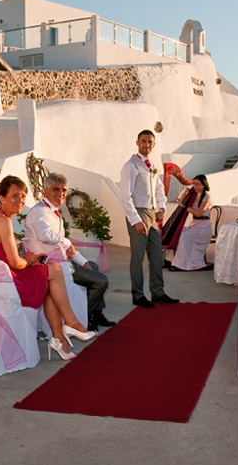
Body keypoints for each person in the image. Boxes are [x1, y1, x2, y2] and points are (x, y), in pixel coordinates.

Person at [0, 175, 93, 360]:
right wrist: (31, 261)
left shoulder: (0, 218)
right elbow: (15, 262)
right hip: (3, 282)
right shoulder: (3, 221)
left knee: (50, 282)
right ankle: (68, 325)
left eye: (23, 196)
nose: (20, 200)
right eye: (15, 196)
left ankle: (60, 338)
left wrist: (32, 259)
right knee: (54, 271)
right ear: (2, 198)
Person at [24, 173, 116, 332]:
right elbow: (46, 236)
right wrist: (66, 241)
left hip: (60, 260)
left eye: (63, 190)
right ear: (46, 190)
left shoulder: (52, 212)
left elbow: (68, 249)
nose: (60, 193)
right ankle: (85, 318)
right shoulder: (40, 211)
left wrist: (84, 261)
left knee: (92, 266)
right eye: (56, 189)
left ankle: (95, 313)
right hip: (52, 265)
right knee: (101, 281)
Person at [119, 129, 179, 308]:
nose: (147, 145)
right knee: (137, 257)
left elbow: (159, 189)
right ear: (137, 143)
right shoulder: (131, 165)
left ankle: (158, 292)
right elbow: (125, 196)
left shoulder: (151, 165)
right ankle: (138, 294)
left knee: (157, 254)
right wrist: (136, 220)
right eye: (143, 141)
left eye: (150, 142)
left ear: (154, 144)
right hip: (138, 212)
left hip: (153, 214)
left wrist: (162, 208)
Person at [169, 175, 213, 271]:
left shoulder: (207, 196)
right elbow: (181, 201)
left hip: (203, 227)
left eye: (198, 184)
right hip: (194, 224)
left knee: (185, 235)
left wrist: (185, 207)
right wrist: (185, 192)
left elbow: (198, 213)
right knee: (177, 232)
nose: (195, 187)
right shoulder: (193, 194)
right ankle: (173, 261)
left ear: (204, 185)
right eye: (194, 184)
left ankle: (183, 264)